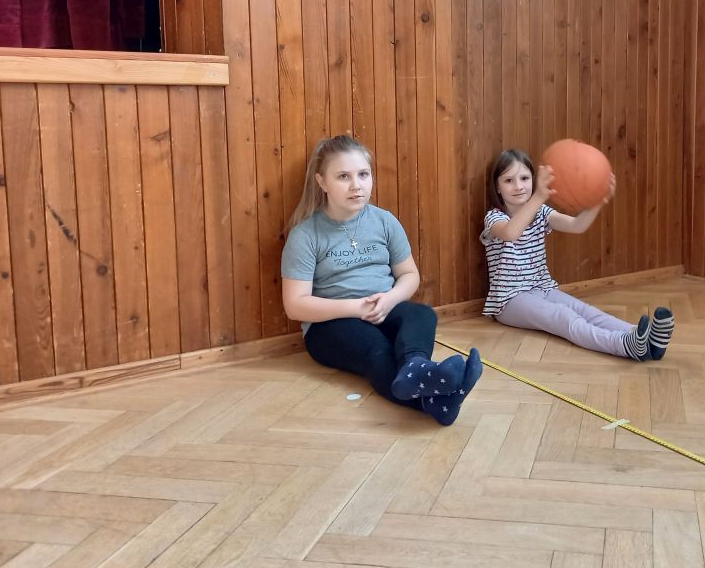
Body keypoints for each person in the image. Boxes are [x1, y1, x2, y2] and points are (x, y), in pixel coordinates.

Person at [282, 135, 481, 425]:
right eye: (343, 176)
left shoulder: (384, 221)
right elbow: (295, 305)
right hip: (330, 325)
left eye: (363, 174)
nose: (356, 185)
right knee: (378, 350)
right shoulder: (305, 235)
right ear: (322, 182)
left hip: (382, 309)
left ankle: (415, 369)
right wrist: (356, 308)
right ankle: (432, 401)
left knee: (422, 314)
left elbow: (409, 275)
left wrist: (390, 299)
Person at [481, 148, 674, 360]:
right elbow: (510, 233)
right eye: (508, 181)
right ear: (497, 187)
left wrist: (598, 200)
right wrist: (539, 196)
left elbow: (577, 225)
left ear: (532, 180)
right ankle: (623, 345)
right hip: (509, 301)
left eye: (524, 178)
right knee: (564, 317)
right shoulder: (494, 218)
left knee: (586, 311)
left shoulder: (541, 213)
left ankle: (646, 340)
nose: (518, 186)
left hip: (543, 288)